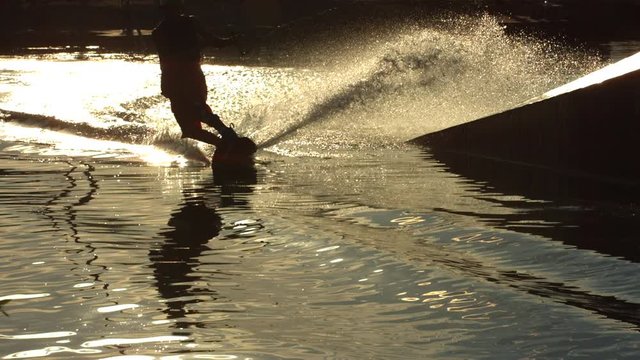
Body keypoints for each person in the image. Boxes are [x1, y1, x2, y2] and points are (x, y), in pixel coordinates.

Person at [152, 0, 238, 147]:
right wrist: (198, 47)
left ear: (179, 9)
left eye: (175, 9)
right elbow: (167, 57)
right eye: (169, 10)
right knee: (189, 130)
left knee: (197, 107)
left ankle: (226, 133)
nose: (173, 13)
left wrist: (232, 41)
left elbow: (214, 41)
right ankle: (222, 144)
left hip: (191, 73)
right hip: (173, 78)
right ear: (164, 11)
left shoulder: (191, 23)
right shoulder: (159, 32)